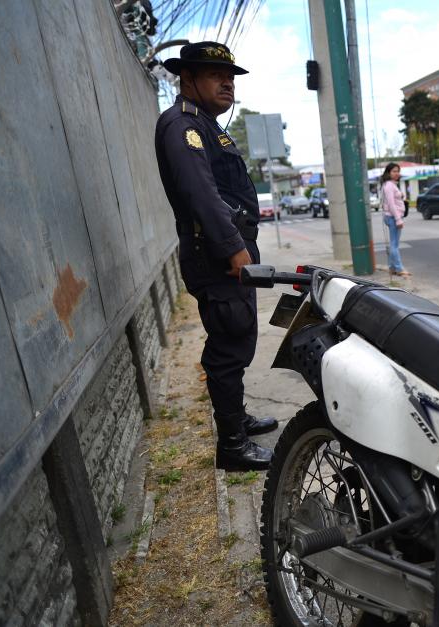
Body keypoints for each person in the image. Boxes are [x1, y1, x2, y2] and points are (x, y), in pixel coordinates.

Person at [154, 41, 275, 471]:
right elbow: (201, 193)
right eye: (215, 75)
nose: (228, 83)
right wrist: (233, 248)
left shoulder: (206, 125)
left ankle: (236, 419)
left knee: (238, 340)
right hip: (219, 255)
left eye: (231, 77)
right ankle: (232, 447)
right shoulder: (182, 125)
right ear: (187, 79)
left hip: (229, 251)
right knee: (229, 345)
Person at [380, 163, 411, 277]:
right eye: (394, 171)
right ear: (388, 172)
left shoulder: (391, 185)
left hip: (393, 217)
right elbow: (391, 204)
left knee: (394, 244)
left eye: (398, 171)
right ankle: (399, 268)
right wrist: (398, 219)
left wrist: (400, 195)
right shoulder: (389, 185)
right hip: (393, 217)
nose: (397, 173)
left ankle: (392, 268)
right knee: (394, 245)